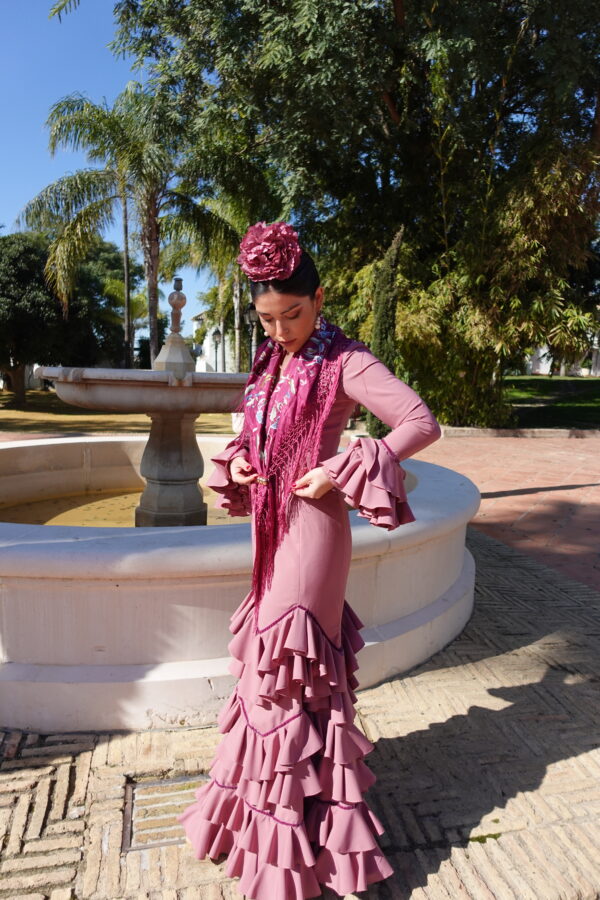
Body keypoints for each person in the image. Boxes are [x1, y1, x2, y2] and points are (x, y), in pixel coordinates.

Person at [177, 221, 442, 899]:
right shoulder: (271, 360)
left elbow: (418, 421)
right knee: (273, 674)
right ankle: (278, 824)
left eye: (292, 314)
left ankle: (295, 852)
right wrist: (240, 458)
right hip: (271, 529)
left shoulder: (346, 360)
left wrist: (341, 467)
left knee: (286, 669)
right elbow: (258, 432)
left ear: (319, 298)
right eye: (267, 319)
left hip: (316, 528)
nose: (280, 330)